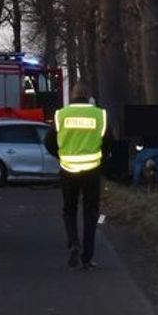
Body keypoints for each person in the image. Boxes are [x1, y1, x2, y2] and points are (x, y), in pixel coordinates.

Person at [45, 82, 110, 271]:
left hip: (68, 169)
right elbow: (109, 142)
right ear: (88, 95)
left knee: (69, 209)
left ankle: (74, 242)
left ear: (73, 95)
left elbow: (48, 141)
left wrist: (61, 155)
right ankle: (87, 257)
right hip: (92, 171)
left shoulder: (61, 115)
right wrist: (101, 158)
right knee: (90, 213)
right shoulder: (100, 115)